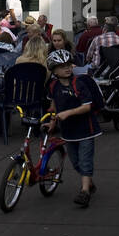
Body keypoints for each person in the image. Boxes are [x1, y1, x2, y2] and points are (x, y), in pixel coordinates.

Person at [46, 49, 102, 207]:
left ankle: (84, 192)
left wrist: (67, 113)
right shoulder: (53, 86)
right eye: (62, 66)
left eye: (69, 65)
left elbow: (87, 106)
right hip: (68, 131)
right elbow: (53, 105)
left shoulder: (79, 83)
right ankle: (89, 183)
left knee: (85, 161)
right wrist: (52, 121)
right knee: (76, 162)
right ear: (54, 70)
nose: (67, 68)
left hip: (86, 129)